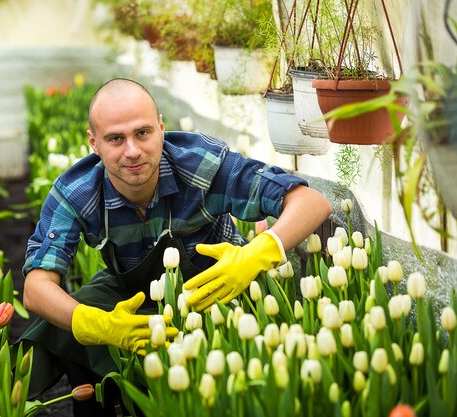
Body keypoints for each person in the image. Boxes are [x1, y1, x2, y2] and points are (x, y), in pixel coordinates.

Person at [20, 78, 332, 416]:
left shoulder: (201, 164)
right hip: (134, 298)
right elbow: (36, 288)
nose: (132, 151)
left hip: (218, 289)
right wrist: (95, 324)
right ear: (94, 143)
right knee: (65, 317)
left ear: (161, 128)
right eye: (115, 139)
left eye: (142, 133)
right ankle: (99, 400)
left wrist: (256, 253)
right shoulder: (77, 191)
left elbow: (311, 202)